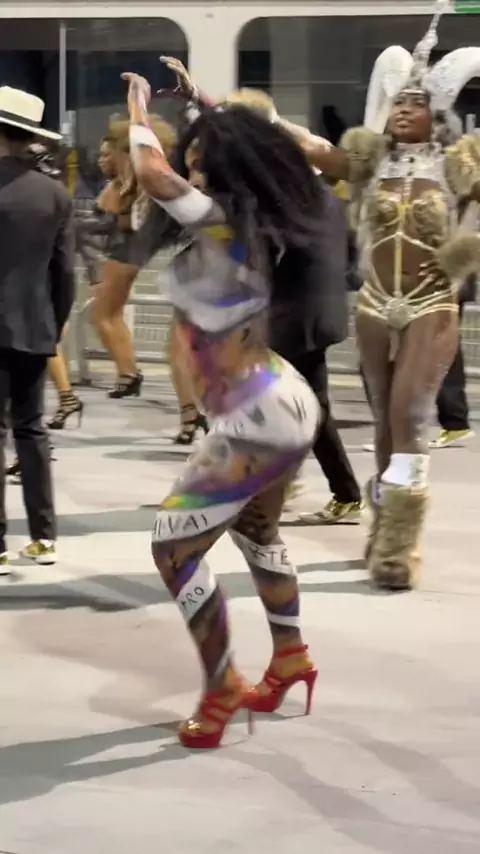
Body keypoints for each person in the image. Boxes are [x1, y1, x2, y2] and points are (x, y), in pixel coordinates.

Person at [123, 67, 323, 748]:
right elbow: (246, 142)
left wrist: (139, 109)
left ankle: (221, 687)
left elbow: (150, 173)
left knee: (173, 549)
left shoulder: (218, 220)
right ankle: (291, 657)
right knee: (257, 534)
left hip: (255, 419)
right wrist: (206, 103)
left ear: (224, 164)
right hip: (280, 401)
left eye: (202, 155)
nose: (192, 164)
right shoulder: (246, 219)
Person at [281, 0, 480, 590]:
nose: (404, 109)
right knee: (383, 424)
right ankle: (382, 520)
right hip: (373, 304)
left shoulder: (458, 165)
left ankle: (399, 544)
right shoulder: (367, 165)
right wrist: (220, 106)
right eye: (398, 101)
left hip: (430, 304)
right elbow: (306, 143)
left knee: (409, 416)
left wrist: (464, 252)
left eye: (416, 102)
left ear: (437, 111)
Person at [0, 86, 75, 571]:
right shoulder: (55, 194)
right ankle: (44, 538)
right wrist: (55, 324)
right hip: (33, 325)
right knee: (31, 429)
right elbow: (64, 273)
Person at [430, 274, 476, 447]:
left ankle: (455, 421)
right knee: (442, 348)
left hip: (440, 285)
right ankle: (455, 422)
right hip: (441, 284)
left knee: (441, 348)